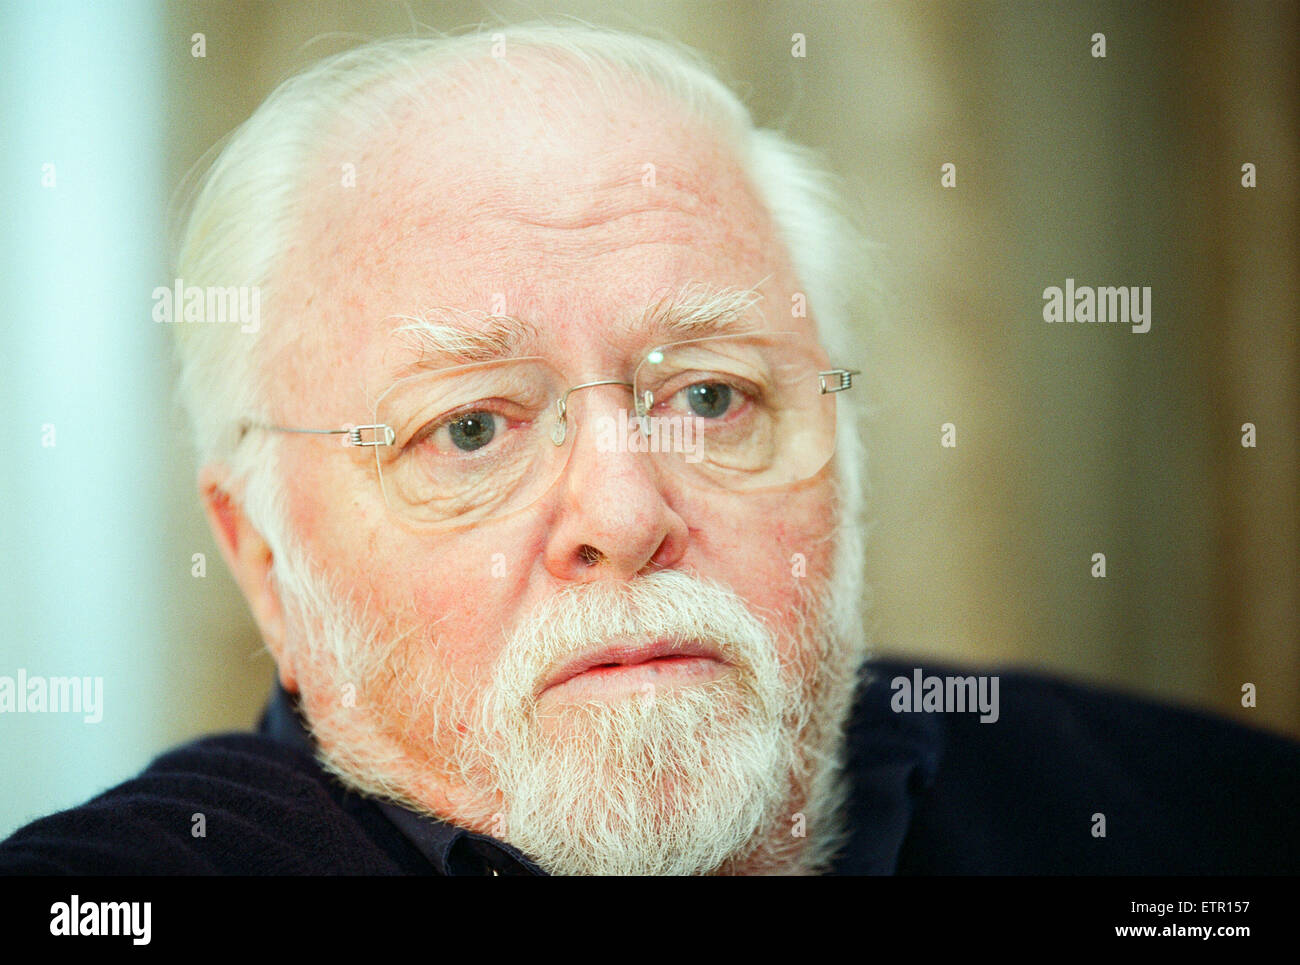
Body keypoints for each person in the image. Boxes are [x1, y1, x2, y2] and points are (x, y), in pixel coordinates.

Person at [2, 24, 1297, 876]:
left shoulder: (1199, 823)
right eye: (471, 426)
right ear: (264, 559)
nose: (623, 510)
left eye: (716, 399)